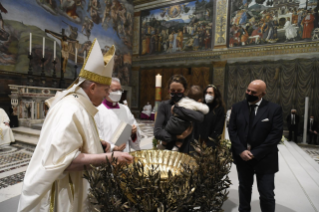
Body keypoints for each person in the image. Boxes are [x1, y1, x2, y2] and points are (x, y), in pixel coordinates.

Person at [18, 39, 133, 212]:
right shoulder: (70, 109)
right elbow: (65, 160)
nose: (108, 94)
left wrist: (103, 146)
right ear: (92, 87)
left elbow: (76, 140)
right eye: (106, 90)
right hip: (66, 189)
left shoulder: (79, 104)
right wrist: (110, 158)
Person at [228, 80, 283, 212]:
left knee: (266, 193)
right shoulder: (237, 107)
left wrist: (255, 153)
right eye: (248, 90)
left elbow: (275, 135)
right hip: (242, 158)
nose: (249, 93)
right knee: (244, 189)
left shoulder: (274, 109)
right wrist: (241, 150)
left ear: (263, 93)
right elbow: (232, 130)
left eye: (253, 92)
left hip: (265, 158)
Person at [154, 74, 204, 153]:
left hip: (187, 149)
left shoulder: (189, 104)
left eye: (179, 91)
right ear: (168, 90)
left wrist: (179, 110)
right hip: (168, 150)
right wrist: (178, 136)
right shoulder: (164, 106)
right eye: (173, 91)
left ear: (185, 90)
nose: (176, 93)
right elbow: (157, 132)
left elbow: (200, 117)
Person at [95, 78, 141, 152]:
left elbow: (134, 127)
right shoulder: (98, 110)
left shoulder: (125, 109)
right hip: (108, 155)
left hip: (125, 152)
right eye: (115, 90)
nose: (119, 93)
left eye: (120, 90)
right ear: (106, 91)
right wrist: (113, 148)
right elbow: (97, 137)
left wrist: (134, 132)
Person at [164, 85, 209, 150]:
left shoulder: (181, 101)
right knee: (183, 133)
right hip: (182, 132)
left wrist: (176, 109)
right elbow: (204, 112)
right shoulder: (196, 107)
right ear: (199, 100)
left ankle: (164, 145)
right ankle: (176, 147)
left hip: (171, 126)